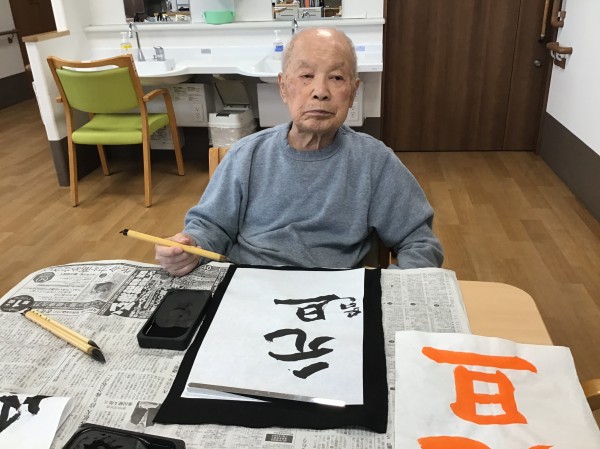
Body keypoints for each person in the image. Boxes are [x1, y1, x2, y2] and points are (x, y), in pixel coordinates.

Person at [155, 27, 443, 276]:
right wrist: (190, 247)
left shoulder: (374, 161)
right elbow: (210, 227)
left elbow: (419, 242)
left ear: (353, 92)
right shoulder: (247, 154)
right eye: (306, 75)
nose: (320, 91)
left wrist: (391, 292)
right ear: (283, 87)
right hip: (251, 287)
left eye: (337, 78)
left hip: (333, 296)